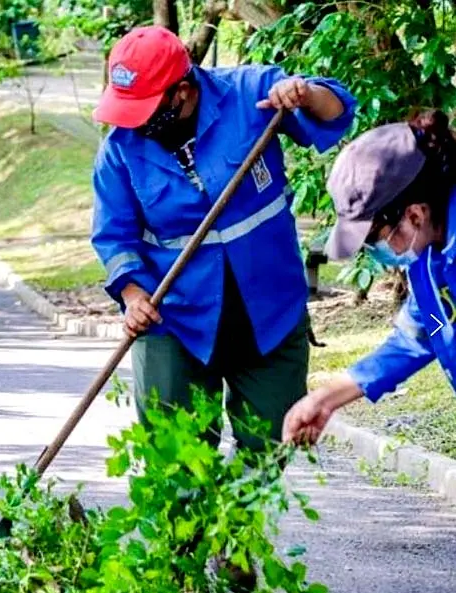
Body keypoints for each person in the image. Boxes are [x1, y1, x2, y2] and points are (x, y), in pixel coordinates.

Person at [91, 25, 356, 453]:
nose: (133, 122)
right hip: (175, 320)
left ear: (181, 91)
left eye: (143, 108)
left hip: (269, 310)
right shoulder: (119, 150)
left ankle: (236, 501)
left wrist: (305, 94)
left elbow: (337, 111)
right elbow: (114, 236)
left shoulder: (250, 94)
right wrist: (134, 295)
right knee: (175, 461)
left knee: (270, 446)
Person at [283, 110, 456, 445]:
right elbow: (421, 335)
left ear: (414, 215)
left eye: (372, 239)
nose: (373, 251)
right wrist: (325, 399)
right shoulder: (428, 266)